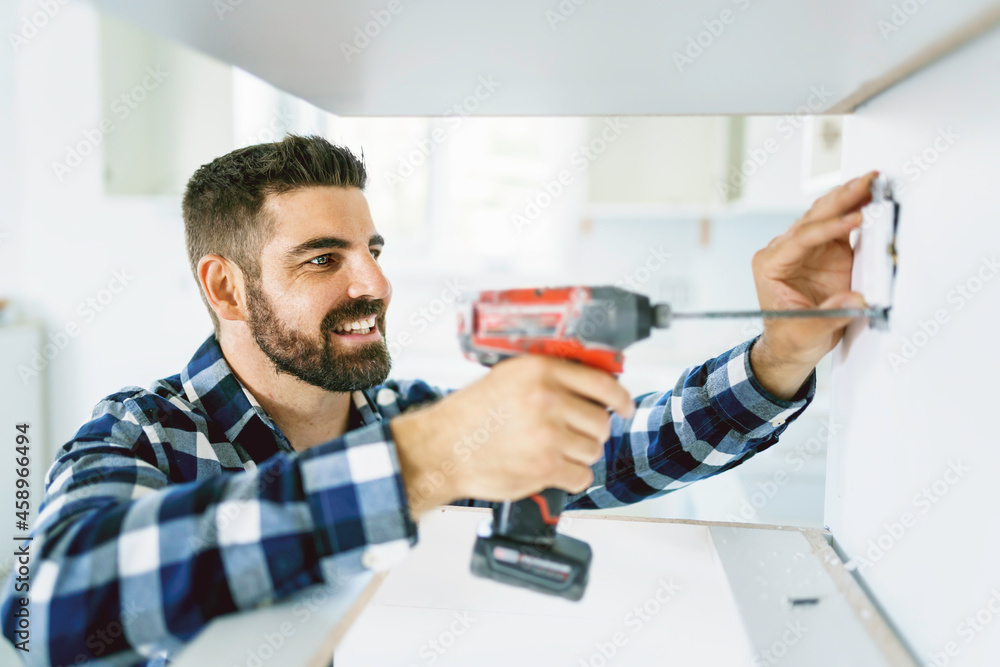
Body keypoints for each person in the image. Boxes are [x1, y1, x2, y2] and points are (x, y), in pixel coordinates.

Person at [0, 135, 874, 665]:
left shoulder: (396, 411)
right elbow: (51, 612)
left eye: (371, 246)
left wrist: (776, 357)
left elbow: (611, 450)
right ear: (226, 289)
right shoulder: (141, 433)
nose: (374, 281)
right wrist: (423, 460)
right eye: (322, 258)